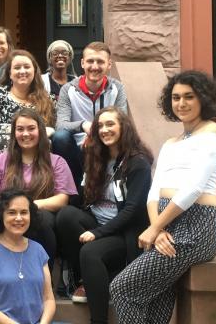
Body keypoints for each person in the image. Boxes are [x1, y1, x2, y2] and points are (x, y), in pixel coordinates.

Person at [110, 70, 216, 324]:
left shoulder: (213, 132)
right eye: (176, 98)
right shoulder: (171, 143)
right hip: (166, 222)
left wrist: (156, 226)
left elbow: (194, 188)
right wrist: (158, 228)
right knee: (155, 296)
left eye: (189, 97)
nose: (181, 103)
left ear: (203, 99)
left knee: (122, 289)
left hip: (197, 226)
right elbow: (155, 189)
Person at [56, 107, 153, 324]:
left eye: (110, 124)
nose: (104, 130)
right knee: (65, 216)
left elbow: (133, 210)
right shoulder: (96, 156)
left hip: (123, 231)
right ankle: (86, 278)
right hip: (96, 219)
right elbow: (82, 197)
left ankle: (98, 320)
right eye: (100, 125)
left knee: (91, 252)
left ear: (124, 127)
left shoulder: (138, 163)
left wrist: (97, 233)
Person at [0, 108, 77, 267]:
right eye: (20, 129)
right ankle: (1, 271)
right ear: (14, 133)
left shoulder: (57, 162)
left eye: (31, 128)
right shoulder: (0, 161)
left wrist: (28, 207)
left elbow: (62, 199)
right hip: (6, 216)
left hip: (42, 217)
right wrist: (14, 208)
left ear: (40, 131)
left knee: (41, 219)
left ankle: (43, 274)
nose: (25, 134)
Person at [51, 41, 128, 196]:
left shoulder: (117, 88)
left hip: (106, 143)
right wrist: (83, 125)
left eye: (100, 62)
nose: (94, 66)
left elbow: (122, 122)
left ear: (109, 64)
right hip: (78, 149)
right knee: (60, 137)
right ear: (82, 63)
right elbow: (61, 124)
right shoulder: (69, 89)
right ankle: (71, 187)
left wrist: (98, 131)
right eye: (90, 61)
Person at [0, 189, 56, 324]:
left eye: (24, 212)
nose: (19, 218)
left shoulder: (38, 250)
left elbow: (48, 299)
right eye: (12, 212)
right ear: (1, 215)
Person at [0, 49, 55, 168]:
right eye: (17, 68)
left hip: (37, 152)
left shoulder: (48, 99)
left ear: (34, 71)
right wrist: (30, 132)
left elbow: (53, 129)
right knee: (3, 140)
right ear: (9, 73)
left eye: (26, 67)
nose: (22, 71)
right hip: (2, 151)